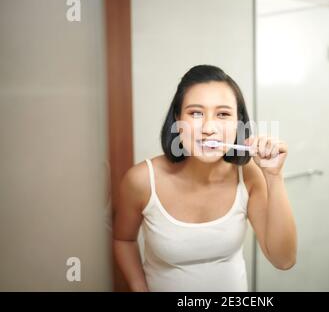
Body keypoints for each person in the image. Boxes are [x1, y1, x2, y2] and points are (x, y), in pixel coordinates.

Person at [113, 65, 297, 291]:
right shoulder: (141, 180)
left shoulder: (248, 175)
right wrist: (138, 286)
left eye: (223, 114)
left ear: (238, 123)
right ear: (178, 120)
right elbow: (124, 240)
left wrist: (274, 177)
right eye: (196, 113)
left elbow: (284, 260)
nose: (209, 128)